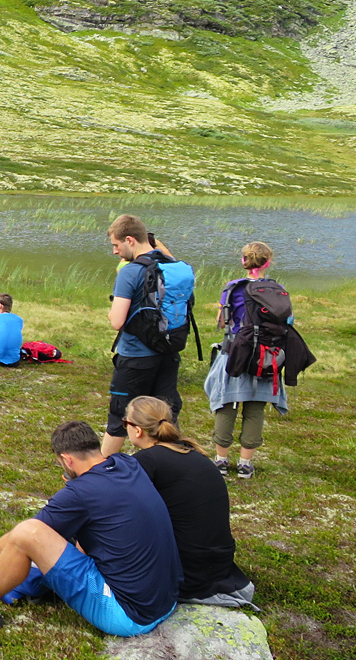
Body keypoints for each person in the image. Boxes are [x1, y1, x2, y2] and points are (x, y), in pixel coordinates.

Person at [0, 420, 181, 636]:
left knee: (27, 533)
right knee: (63, 536)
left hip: (129, 616)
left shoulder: (80, 493)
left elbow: (29, 533)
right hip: (165, 599)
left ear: (67, 459)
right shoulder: (126, 463)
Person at [124, 397, 255, 607]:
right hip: (218, 566)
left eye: (125, 423)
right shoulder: (192, 452)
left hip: (187, 574)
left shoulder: (147, 461)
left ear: (137, 430)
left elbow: (119, 513)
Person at [104, 214, 193, 457]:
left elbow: (117, 321)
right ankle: (170, 465)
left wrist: (111, 313)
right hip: (168, 352)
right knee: (164, 415)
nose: (115, 251)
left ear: (129, 240)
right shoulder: (172, 265)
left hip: (135, 357)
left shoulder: (130, 272)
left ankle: (98, 475)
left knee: (119, 416)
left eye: (116, 245)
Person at [207, 241, 291, 479]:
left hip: (236, 353)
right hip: (266, 356)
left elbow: (221, 322)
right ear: (268, 262)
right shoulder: (278, 288)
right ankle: (245, 464)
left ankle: (221, 461)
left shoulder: (232, 288)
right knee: (256, 408)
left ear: (243, 261)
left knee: (227, 405)